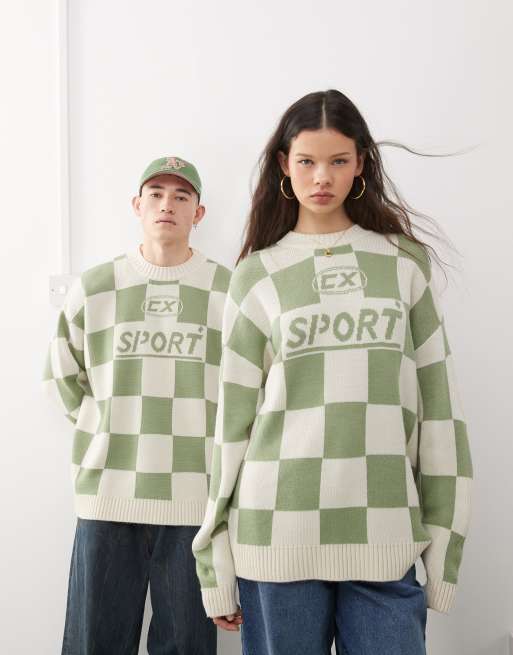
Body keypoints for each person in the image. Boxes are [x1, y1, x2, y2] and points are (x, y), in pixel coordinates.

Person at [191, 90, 473, 655]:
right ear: (283, 165)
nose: (322, 177)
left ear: (360, 163)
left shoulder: (402, 263)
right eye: (307, 161)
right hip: (275, 536)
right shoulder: (257, 275)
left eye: (338, 160)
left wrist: (444, 553)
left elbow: (440, 414)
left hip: (385, 536)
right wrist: (214, 563)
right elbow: (230, 428)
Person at [43, 156, 231, 655]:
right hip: (107, 494)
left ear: (198, 213)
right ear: (137, 205)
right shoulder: (95, 287)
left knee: (187, 645)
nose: (167, 204)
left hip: (194, 501)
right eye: (156, 194)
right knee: (95, 644)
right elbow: (61, 377)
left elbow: (246, 392)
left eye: (181, 196)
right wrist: (105, 426)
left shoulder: (228, 291)